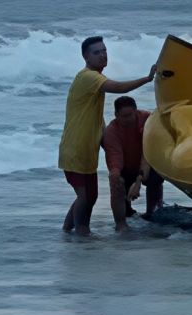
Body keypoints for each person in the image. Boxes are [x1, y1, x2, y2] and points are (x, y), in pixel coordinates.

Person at [58, 36, 156, 235]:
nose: (103, 55)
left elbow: (95, 118)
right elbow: (118, 88)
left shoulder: (93, 81)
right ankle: (82, 235)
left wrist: (107, 141)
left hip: (86, 151)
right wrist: (147, 79)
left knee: (89, 196)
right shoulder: (89, 77)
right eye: (97, 52)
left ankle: (67, 232)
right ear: (85, 57)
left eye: (104, 51)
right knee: (85, 197)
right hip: (75, 149)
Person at [102, 96, 164, 232]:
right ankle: (121, 224)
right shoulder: (111, 131)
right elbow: (114, 158)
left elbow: (148, 152)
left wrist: (138, 182)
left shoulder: (148, 119)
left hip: (148, 162)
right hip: (126, 167)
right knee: (116, 180)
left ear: (136, 111)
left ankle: (153, 213)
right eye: (124, 116)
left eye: (131, 115)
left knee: (156, 177)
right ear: (116, 115)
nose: (128, 119)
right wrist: (116, 175)